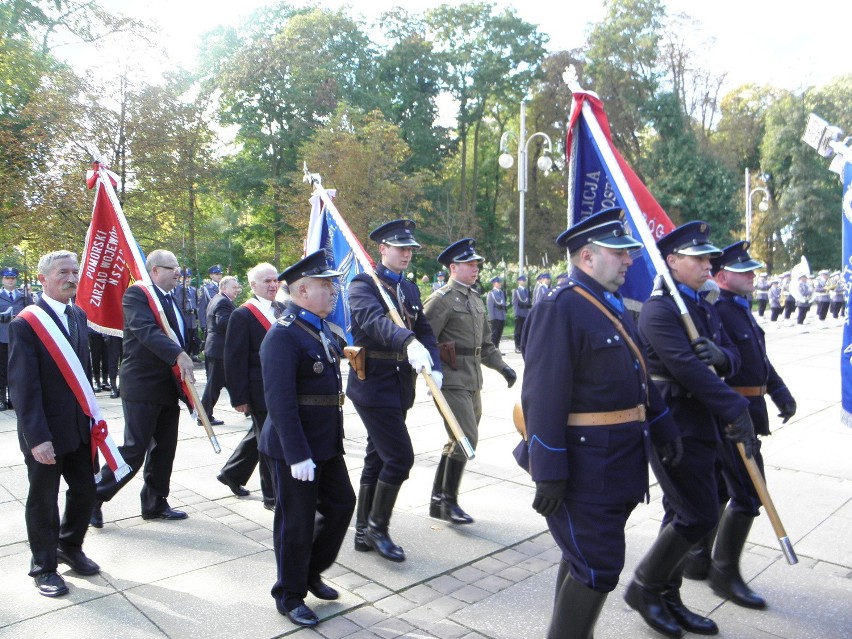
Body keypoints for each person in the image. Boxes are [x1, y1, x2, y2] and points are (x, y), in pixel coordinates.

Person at [518, 209, 681, 638]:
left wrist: (663, 427)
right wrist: (547, 470)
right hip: (585, 466)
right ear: (587, 257)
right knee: (599, 566)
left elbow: (638, 377)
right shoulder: (561, 308)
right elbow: (542, 397)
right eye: (620, 252)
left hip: (617, 461)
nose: (629, 260)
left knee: (585, 559)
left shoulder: (610, 305)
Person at [624, 221, 758, 638]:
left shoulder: (701, 305)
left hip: (702, 422)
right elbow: (685, 369)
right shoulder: (660, 310)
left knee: (686, 509)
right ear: (672, 261)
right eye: (698, 258)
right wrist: (736, 407)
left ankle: (668, 594)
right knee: (696, 512)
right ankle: (644, 586)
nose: (707, 264)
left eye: (708, 258)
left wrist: (721, 357)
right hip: (675, 423)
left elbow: (733, 358)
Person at [679, 241, 796, 609]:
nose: (752, 275)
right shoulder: (719, 311)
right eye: (744, 270)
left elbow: (757, 360)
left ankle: (698, 559)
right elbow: (715, 368)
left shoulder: (738, 310)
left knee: (718, 491)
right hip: (731, 414)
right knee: (747, 493)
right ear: (724, 276)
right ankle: (724, 572)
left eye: (752, 270)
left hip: (749, 407)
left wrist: (779, 392)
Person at [258, 250, 355, 628]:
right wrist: (297, 454)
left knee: (342, 504)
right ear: (301, 290)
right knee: (295, 522)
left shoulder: (316, 328)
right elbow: (280, 402)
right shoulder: (282, 336)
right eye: (325, 285)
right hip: (293, 448)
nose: (333, 291)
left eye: (332, 284)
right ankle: (289, 593)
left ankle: (310, 571)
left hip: (325, 444)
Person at [346, 219, 441, 563]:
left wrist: (434, 364)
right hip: (373, 385)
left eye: (410, 249)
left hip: (400, 384)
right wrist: (408, 341)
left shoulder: (410, 289)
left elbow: (426, 330)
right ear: (382, 249)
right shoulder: (363, 285)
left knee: (378, 455)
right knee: (400, 459)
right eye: (399, 248)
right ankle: (377, 528)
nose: (406, 254)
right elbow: (373, 321)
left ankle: (362, 532)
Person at [9, 251, 101, 597]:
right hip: (45, 432)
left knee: (85, 491)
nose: (71, 277)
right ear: (43, 278)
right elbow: (23, 387)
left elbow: (83, 377)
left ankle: (70, 545)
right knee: (44, 500)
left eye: (75, 271)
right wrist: (36, 438)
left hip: (79, 427)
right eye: (63, 272)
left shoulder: (77, 314)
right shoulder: (26, 322)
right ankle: (44, 567)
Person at [90, 249, 195, 527]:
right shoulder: (137, 295)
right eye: (171, 267)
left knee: (164, 449)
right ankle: (94, 497)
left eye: (178, 267)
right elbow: (146, 330)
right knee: (134, 450)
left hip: (168, 387)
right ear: (154, 271)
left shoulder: (171, 299)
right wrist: (177, 354)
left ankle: (155, 502)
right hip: (143, 386)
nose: (177, 272)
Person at [424, 238, 516, 525]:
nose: (475, 268)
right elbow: (424, 340)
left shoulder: (474, 299)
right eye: (469, 264)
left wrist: (502, 367)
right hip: (449, 379)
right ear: (453, 267)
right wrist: (432, 375)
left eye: (477, 264)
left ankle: (439, 501)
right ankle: (448, 502)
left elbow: (485, 346)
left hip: (472, 379)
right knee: (466, 438)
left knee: (457, 438)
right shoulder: (441, 300)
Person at [218, 263, 283, 509]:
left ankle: (232, 473)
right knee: (269, 442)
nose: (273, 285)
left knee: (260, 435)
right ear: (253, 285)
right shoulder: (243, 314)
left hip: (280, 387)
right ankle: (271, 495)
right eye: (267, 281)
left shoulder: (283, 309)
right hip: (259, 390)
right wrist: (239, 397)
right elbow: (234, 359)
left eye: (275, 280)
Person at [200, 275, 241, 426]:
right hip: (219, 349)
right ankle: (203, 416)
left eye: (237, 287)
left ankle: (247, 405)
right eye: (234, 287)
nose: (237, 290)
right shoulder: (223, 301)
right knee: (214, 384)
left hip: (217, 348)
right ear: (223, 287)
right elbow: (223, 322)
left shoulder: (219, 299)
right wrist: (240, 320)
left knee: (232, 380)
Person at [1, 266, 32, 410]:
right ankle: (2, 398)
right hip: (2, 337)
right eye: (7, 278)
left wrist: (29, 296)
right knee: (2, 370)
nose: (10, 281)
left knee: (17, 369)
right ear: (2, 279)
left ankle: (14, 398)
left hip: (19, 337)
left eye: (12, 278)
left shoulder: (23, 296)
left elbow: (32, 311)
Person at [172, 268, 199, 358]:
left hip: (192, 320)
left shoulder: (193, 290)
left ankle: (192, 355)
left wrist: (195, 311)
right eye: (184, 277)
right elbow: (178, 303)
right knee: (185, 340)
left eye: (189, 277)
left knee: (193, 339)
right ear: (180, 278)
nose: (187, 279)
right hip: (184, 318)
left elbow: (196, 303)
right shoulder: (178, 289)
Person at [197, 264, 223, 339]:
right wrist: (203, 325)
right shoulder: (205, 289)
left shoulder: (224, 287)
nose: (219, 276)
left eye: (220, 274)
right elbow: (201, 308)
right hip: (211, 323)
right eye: (216, 274)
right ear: (211, 275)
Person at [511, 274, 531, 353]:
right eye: (522, 280)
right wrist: (516, 313)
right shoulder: (516, 291)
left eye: (524, 280)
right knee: (518, 331)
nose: (524, 282)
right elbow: (515, 303)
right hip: (519, 313)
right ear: (519, 281)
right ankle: (517, 346)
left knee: (524, 330)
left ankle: (523, 345)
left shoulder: (526, 291)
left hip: (525, 313)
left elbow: (528, 302)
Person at [485, 276, 506, 350]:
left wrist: (504, 316)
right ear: (494, 284)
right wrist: (492, 318)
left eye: (500, 282)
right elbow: (490, 306)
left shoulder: (501, 292)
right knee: (494, 334)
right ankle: (492, 349)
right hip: (495, 316)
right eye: (498, 282)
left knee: (499, 333)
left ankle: (497, 347)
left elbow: (503, 305)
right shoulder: (491, 293)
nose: (500, 284)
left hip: (501, 316)